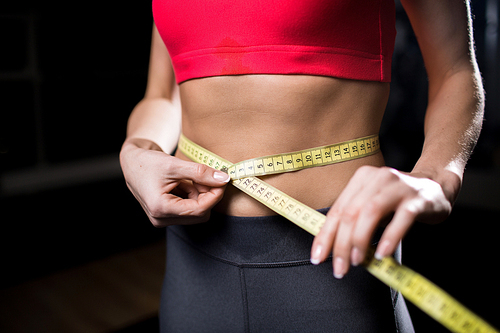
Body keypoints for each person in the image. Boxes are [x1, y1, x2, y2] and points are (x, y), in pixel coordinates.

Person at [119, 0, 484, 331]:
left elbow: (454, 70)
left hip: (333, 251)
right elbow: (163, 95)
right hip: (191, 262)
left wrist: (435, 177)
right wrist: (136, 149)